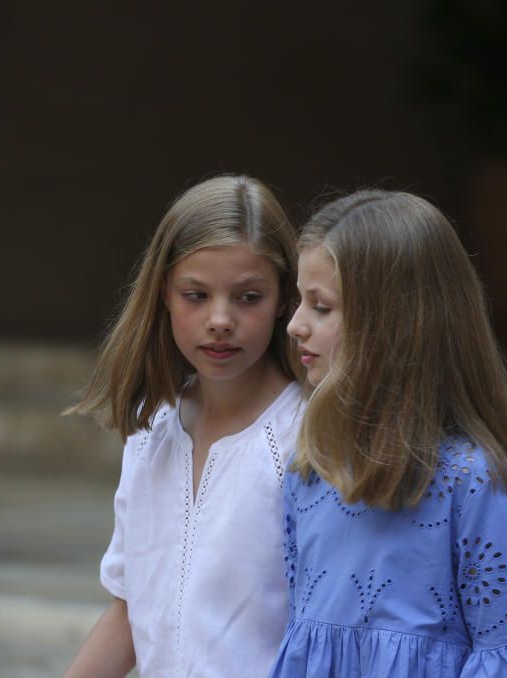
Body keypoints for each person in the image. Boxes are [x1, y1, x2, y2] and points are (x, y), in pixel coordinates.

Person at [271, 189, 507, 676]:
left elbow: (505, 651)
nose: (295, 326)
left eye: (321, 307)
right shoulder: (310, 469)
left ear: (393, 325)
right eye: (299, 304)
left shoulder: (473, 482)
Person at [63, 175, 305, 677]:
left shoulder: (307, 437)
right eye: (195, 295)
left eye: (248, 297)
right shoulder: (150, 430)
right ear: (164, 295)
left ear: (284, 298)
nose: (220, 319)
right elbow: (130, 611)